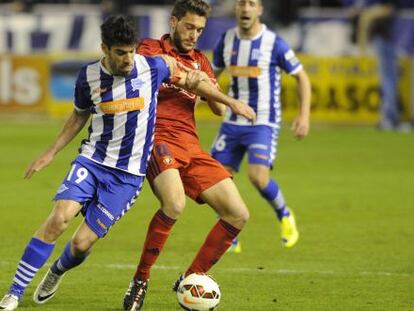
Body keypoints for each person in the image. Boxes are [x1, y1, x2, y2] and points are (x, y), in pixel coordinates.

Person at [0, 15, 255, 311]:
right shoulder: (89, 76)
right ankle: (14, 293)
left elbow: (192, 79)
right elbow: (79, 114)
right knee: (59, 219)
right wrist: (51, 151)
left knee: (82, 244)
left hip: (127, 177)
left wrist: (229, 101)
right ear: (104, 49)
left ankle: (57, 270)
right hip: (93, 160)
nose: (128, 59)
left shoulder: (152, 67)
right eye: (120, 53)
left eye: (131, 51)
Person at [122, 1, 255, 310]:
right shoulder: (150, 48)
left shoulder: (202, 61)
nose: (194, 35)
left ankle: (192, 279)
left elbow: (218, 108)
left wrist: (209, 86)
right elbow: (177, 78)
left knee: (238, 213)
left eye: (200, 30)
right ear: (174, 22)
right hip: (158, 139)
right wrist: (224, 97)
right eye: (189, 27)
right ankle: (140, 280)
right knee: (175, 203)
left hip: (191, 146)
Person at [210, 0, 311, 251]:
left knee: (257, 177)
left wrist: (304, 115)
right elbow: (211, 77)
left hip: (262, 121)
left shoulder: (273, 43)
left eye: (251, 4)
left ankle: (285, 215)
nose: (245, 8)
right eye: (241, 3)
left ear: (260, 10)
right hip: (232, 122)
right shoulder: (226, 40)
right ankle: (230, 232)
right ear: (236, 9)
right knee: (215, 179)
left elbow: (302, 77)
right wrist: (212, 98)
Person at [356, 0, 409, 131]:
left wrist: (370, 14)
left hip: (386, 39)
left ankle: (389, 118)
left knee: (388, 81)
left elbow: (388, 9)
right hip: (384, 39)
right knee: (388, 80)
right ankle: (390, 117)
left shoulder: (381, 8)